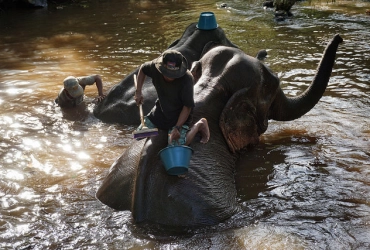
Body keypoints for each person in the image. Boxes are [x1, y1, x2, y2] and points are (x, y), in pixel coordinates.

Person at [134, 50, 210, 146]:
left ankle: (200, 125)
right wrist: (138, 91)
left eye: (173, 74)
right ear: (162, 67)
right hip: (161, 110)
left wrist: (177, 128)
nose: (170, 77)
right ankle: (163, 130)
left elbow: (187, 107)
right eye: (167, 73)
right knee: (138, 135)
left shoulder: (187, 79)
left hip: (178, 116)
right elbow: (143, 69)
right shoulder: (154, 67)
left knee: (177, 145)